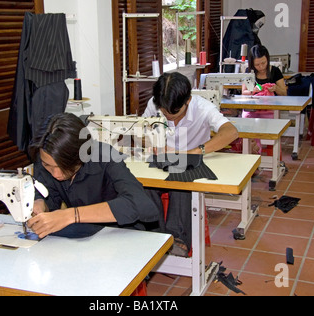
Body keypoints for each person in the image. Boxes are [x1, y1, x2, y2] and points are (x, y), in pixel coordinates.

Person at [142, 72, 238, 256]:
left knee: (181, 181)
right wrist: (151, 143)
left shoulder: (203, 108)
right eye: (164, 113)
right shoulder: (154, 104)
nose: (169, 119)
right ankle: (155, 236)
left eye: (174, 114)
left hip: (190, 164)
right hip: (161, 161)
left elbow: (231, 132)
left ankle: (177, 239)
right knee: (144, 184)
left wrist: (195, 151)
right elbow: (143, 128)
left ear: (188, 101)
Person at [27, 113, 159, 239]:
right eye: (48, 166)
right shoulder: (45, 158)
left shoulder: (105, 157)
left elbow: (141, 205)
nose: (56, 174)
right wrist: (40, 204)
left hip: (121, 234)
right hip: (84, 235)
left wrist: (71, 215)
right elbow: (49, 196)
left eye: (63, 166)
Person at [241, 44, 287, 154]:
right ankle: (253, 151)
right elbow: (243, 92)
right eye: (257, 64)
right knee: (245, 122)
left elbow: (284, 93)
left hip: (269, 110)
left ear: (268, 59)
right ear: (252, 63)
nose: (261, 67)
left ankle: (263, 152)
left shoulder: (275, 71)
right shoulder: (249, 72)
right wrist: (254, 91)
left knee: (270, 126)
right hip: (253, 109)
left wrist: (276, 89)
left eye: (263, 63)